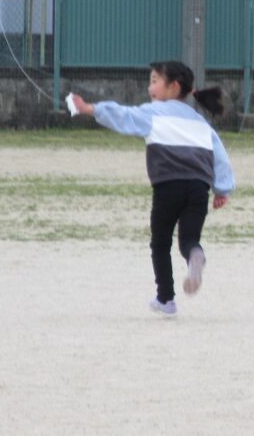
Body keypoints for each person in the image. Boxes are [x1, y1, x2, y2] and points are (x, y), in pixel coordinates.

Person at [71, 61, 235, 318]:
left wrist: (90, 108)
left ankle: (166, 299)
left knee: (160, 243)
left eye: (155, 81)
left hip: (167, 187)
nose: (150, 87)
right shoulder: (201, 123)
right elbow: (220, 156)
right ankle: (196, 255)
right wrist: (222, 188)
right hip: (198, 189)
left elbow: (123, 116)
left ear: (174, 87)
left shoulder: (154, 113)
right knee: (188, 239)